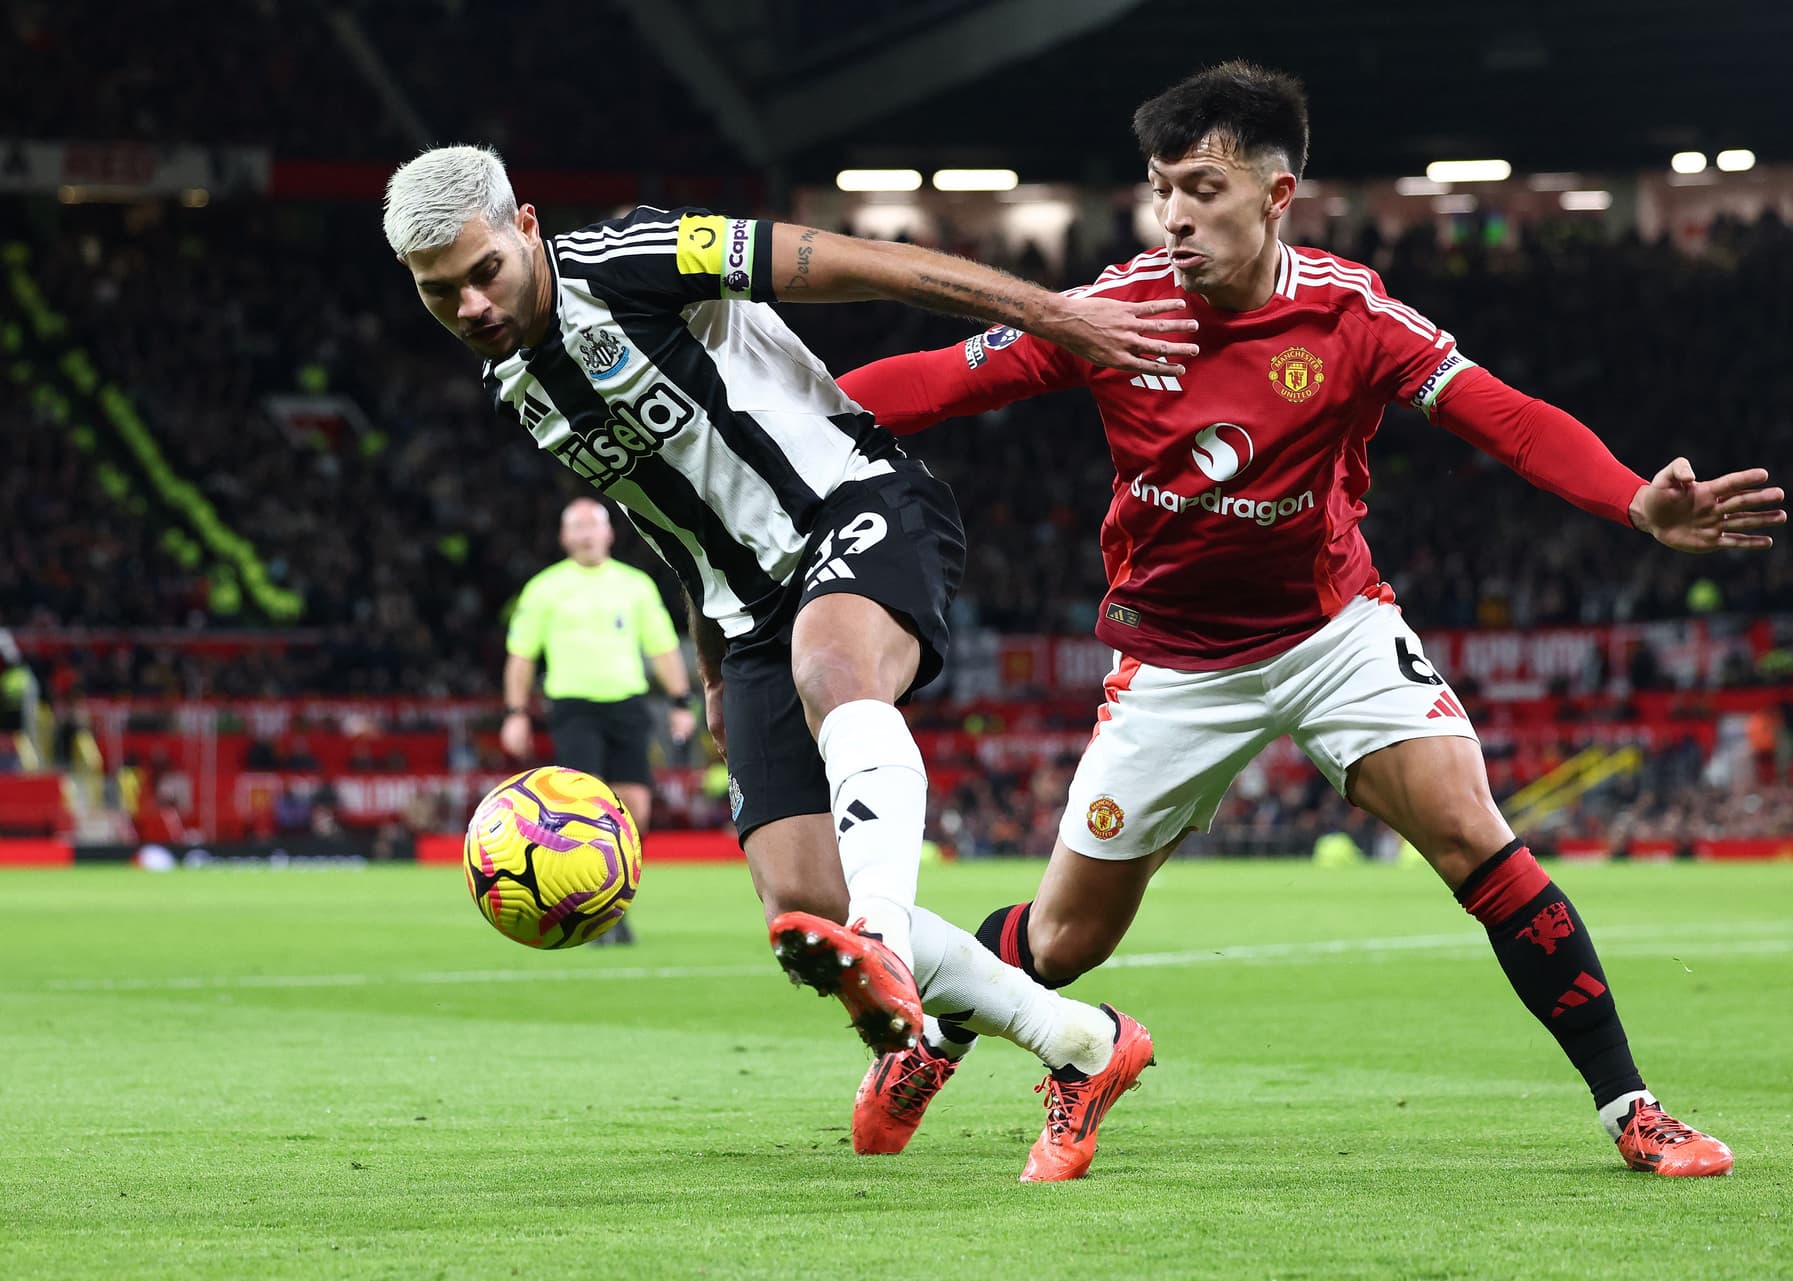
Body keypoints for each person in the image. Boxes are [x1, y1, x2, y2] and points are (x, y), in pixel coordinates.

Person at [836, 61, 1784, 1177]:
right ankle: (944, 1035)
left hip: (1330, 634)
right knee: (1066, 938)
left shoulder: (1350, 314)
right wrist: (759, 416)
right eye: (1162, 190)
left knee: (1475, 836)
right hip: (1174, 664)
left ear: (1277, 196)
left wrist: (1631, 497)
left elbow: (1506, 418)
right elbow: (936, 384)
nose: (1176, 216)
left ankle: (1632, 1108)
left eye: (1202, 188)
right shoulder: (1114, 312)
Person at [382, 144, 1190, 1179]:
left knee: (835, 677)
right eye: (438, 291)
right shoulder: (517, 385)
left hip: (853, 506)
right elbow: (669, 520)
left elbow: (861, 262)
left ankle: (887, 939)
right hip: (746, 613)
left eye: (483, 270)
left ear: (525, 226)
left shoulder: (634, 256)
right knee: (803, 909)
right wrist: (713, 666)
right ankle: (1080, 1042)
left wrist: (1054, 314)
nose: (471, 304)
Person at [502, 496, 698, 943]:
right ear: (564, 536)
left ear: (609, 533)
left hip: (627, 705)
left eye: (594, 525)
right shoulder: (544, 588)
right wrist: (515, 713)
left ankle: (614, 903)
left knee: (636, 812)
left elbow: (663, 647)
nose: (586, 534)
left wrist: (681, 702)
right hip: (573, 708)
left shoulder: (635, 585)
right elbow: (521, 655)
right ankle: (585, 908)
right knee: (583, 813)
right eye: (577, 527)